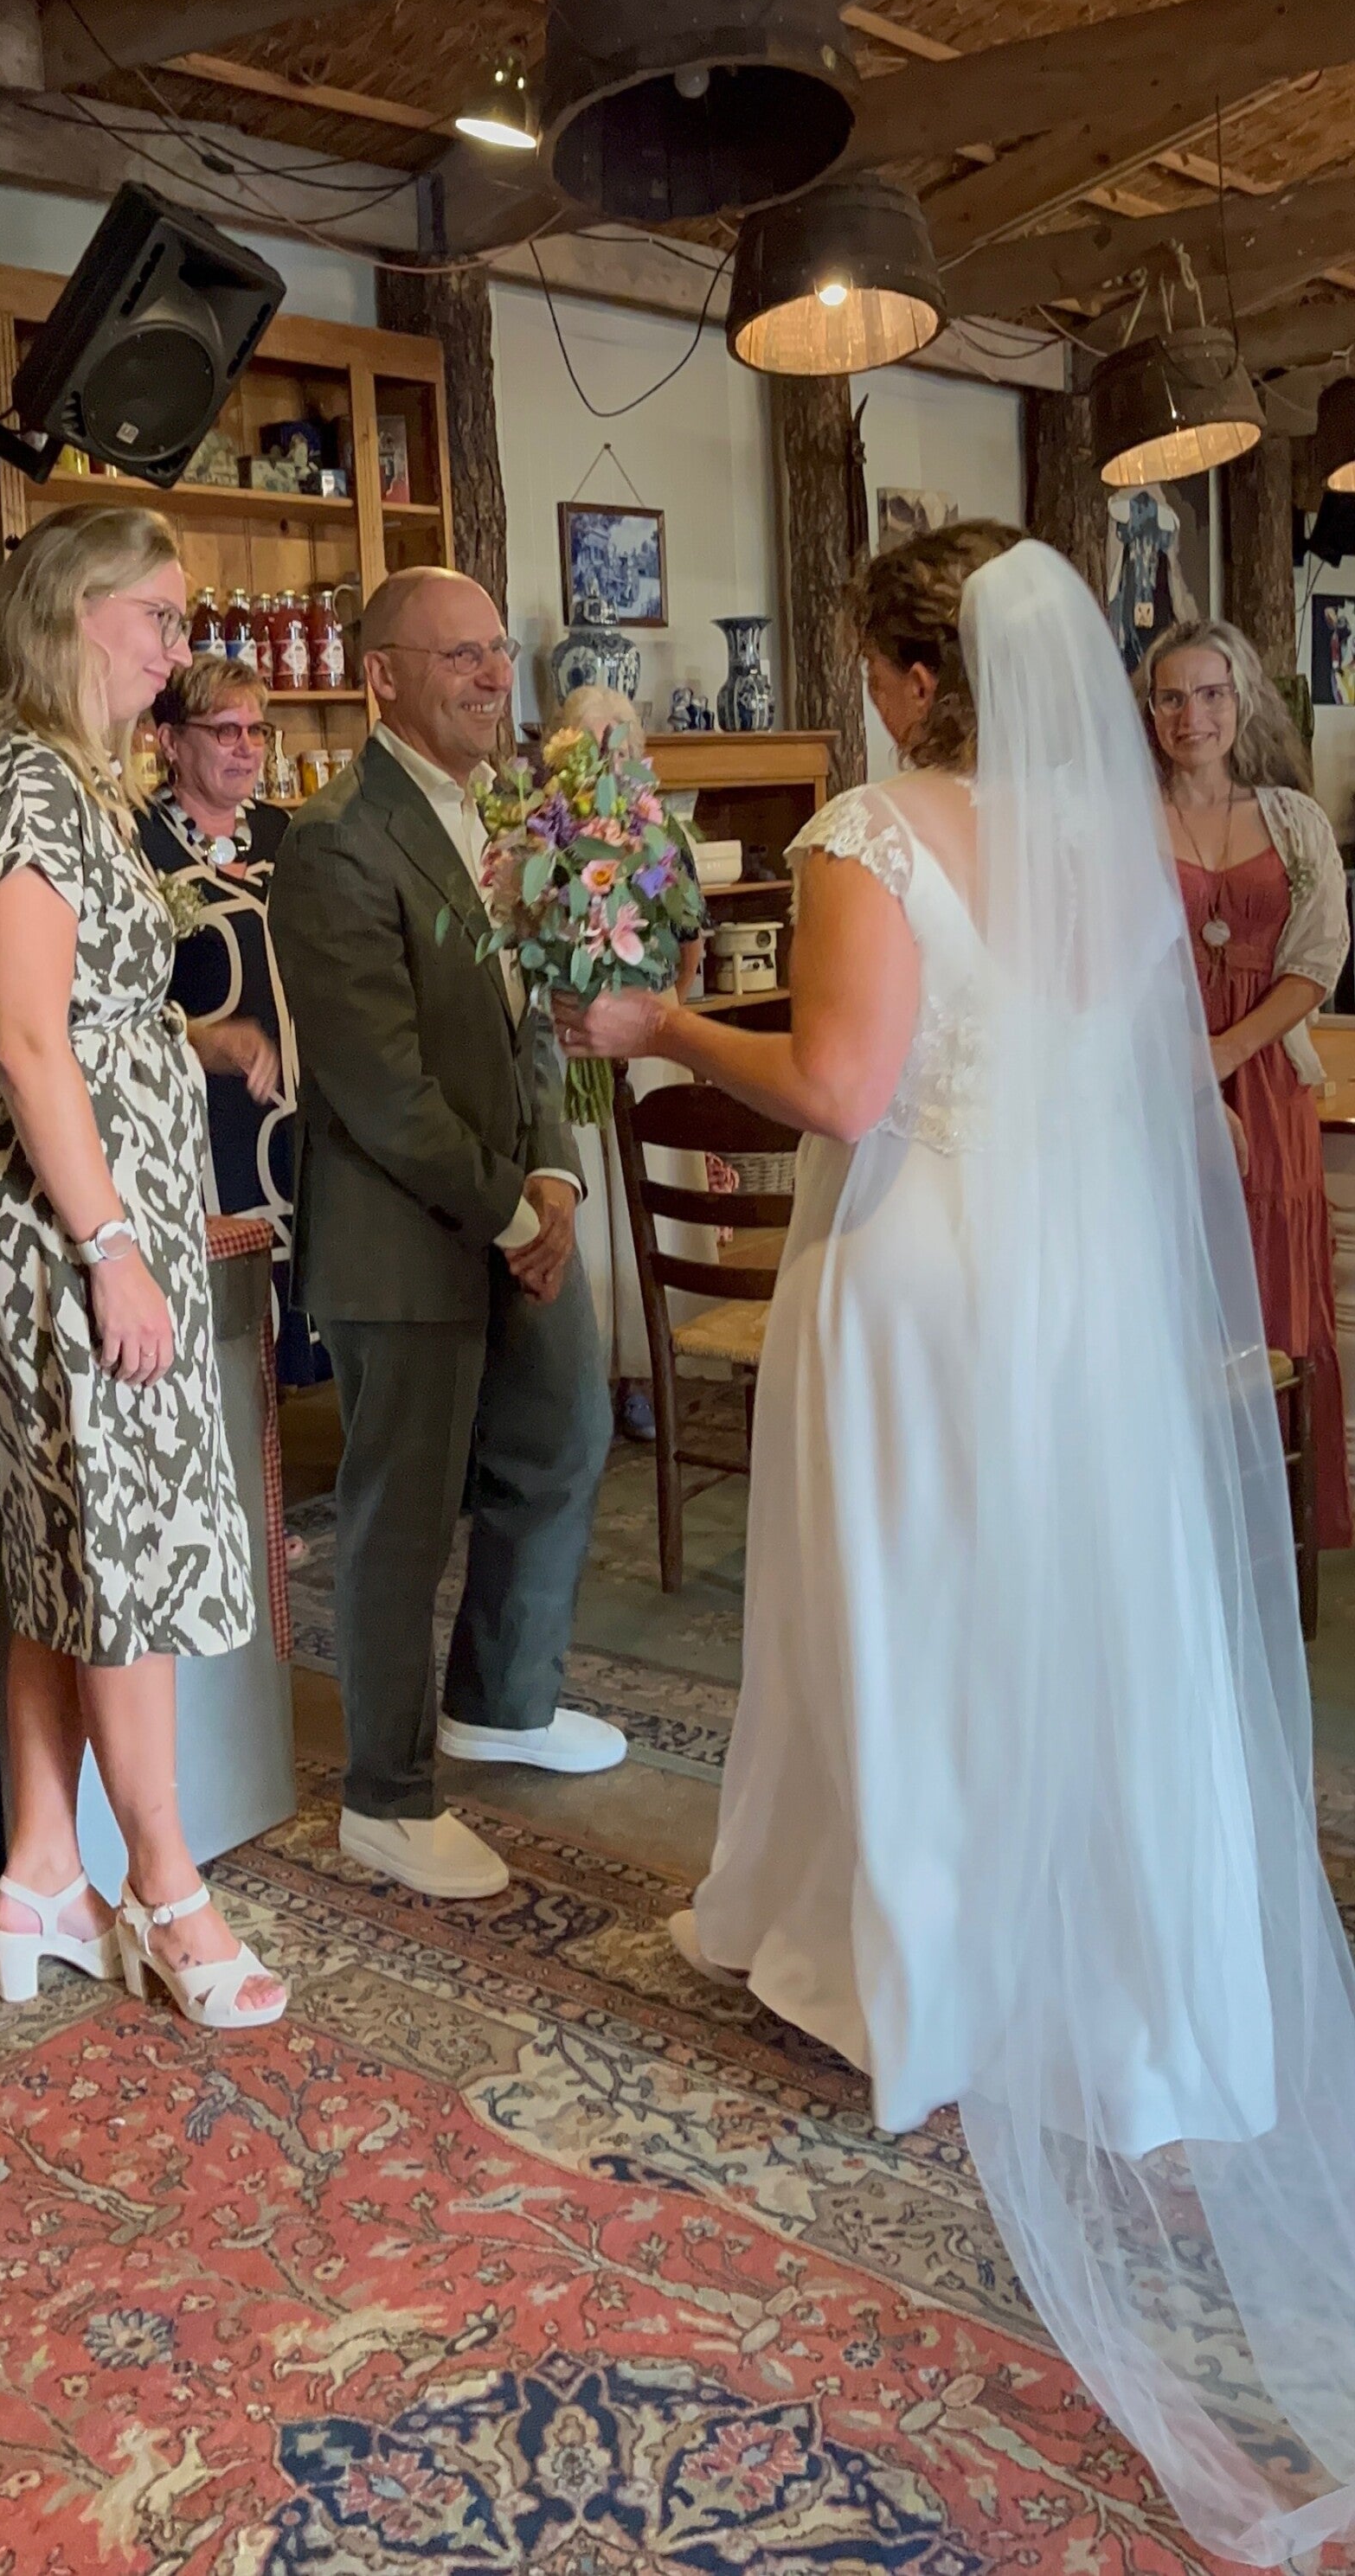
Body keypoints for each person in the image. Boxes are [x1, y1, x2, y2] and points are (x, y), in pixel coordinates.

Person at [558, 521, 1355, 2565]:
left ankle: (924, 1976)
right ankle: (1116, 1972)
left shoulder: (871, 827)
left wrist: (668, 1029)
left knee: (907, 1617)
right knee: (1086, 1626)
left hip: (922, 1275)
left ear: (914, 680)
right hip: (1079, 1292)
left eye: (870, 664)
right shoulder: (1106, 842)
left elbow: (846, 1085)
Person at [0, 505, 286, 2035]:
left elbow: (91, 1013)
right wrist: (114, 1248)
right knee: (125, 1553)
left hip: (100, 1218)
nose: (177, 647)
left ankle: (39, 1872)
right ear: (76, 611)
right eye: (159, 615)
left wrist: (188, 1050)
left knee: (65, 1549)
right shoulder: (26, 785)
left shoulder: (75, 778)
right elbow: (28, 1040)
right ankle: (167, 1889)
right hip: (65, 1232)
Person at [269, 565, 621, 1900]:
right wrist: (516, 1207)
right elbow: (381, 1087)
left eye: (496, 653)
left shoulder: (502, 815)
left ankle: (503, 1701)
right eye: (458, 654)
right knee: (401, 1519)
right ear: (382, 678)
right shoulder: (337, 838)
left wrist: (559, 1178)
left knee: (564, 1433)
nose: (491, 676)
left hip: (519, 1206)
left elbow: (535, 1022)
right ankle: (387, 1796)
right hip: (400, 1237)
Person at [1143, 617, 1352, 1545]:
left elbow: (1318, 959)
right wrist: (1184, 1076)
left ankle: (1274, 1532)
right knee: (1174, 1296)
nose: (1193, 715)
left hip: (1267, 1085)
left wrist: (1223, 1056)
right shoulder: (1122, 827)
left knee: (1274, 1295)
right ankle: (1182, 1534)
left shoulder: (1293, 820)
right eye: (1172, 697)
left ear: (1241, 702)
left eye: (1211, 693)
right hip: (1154, 1088)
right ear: (1151, 712)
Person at [137, 652, 327, 1401]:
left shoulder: (288, 833)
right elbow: (112, 999)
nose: (246, 747)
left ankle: (295, 1452)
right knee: (233, 1331)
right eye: (225, 730)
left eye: (257, 730)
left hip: (301, 1108)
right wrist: (202, 1037)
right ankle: (243, 1459)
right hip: (205, 1121)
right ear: (170, 741)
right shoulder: (138, 845)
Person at [552, 683, 710, 1442]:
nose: (606, 763)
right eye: (589, 749)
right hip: (575, 1039)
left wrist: (662, 1016)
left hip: (650, 1030)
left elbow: (691, 940)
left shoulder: (663, 832)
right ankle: (587, 1371)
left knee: (653, 1200)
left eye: (619, 747)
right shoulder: (548, 833)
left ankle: (652, 1369)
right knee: (588, 1205)